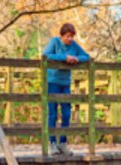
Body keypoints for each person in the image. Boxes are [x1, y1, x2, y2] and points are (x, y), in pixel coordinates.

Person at [41, 23, 90, 155]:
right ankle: (52, 143)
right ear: (61, 35)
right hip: (52, 81)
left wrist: (76, 58)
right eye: (67, 36)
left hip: (65, 83)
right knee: (52, 113)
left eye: (72, 37)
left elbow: (86, 56)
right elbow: (46, 55)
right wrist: (64, 57)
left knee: (67, 113)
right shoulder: (54, 42)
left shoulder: (74, 45)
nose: (70, 39)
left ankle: (63, 143)